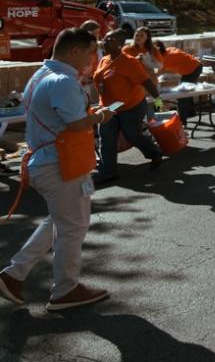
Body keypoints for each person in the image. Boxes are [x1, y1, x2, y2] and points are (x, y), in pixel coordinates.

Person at [0, 28, 114, 311]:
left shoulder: (40, 75)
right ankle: (65, 290)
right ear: (74, 51)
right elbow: (75, 123)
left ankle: (14, 275)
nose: (93, 59)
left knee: (59, 222)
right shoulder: (63, 81)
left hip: (46, 162)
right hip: (61, 165)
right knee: (73, 227)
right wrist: (101, 115)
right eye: (90, 53)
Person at [94, 30, 163, 184]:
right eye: (104, 39)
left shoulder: (129, 61)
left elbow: (147, 82)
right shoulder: (104, 60)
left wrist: (158, 101)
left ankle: (154, 152)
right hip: (109, 108)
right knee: (107, 138)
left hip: (131, 106)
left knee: (132, 135)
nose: (104, 42)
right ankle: (108, 172)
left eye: (109, 39)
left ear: (119, 44)